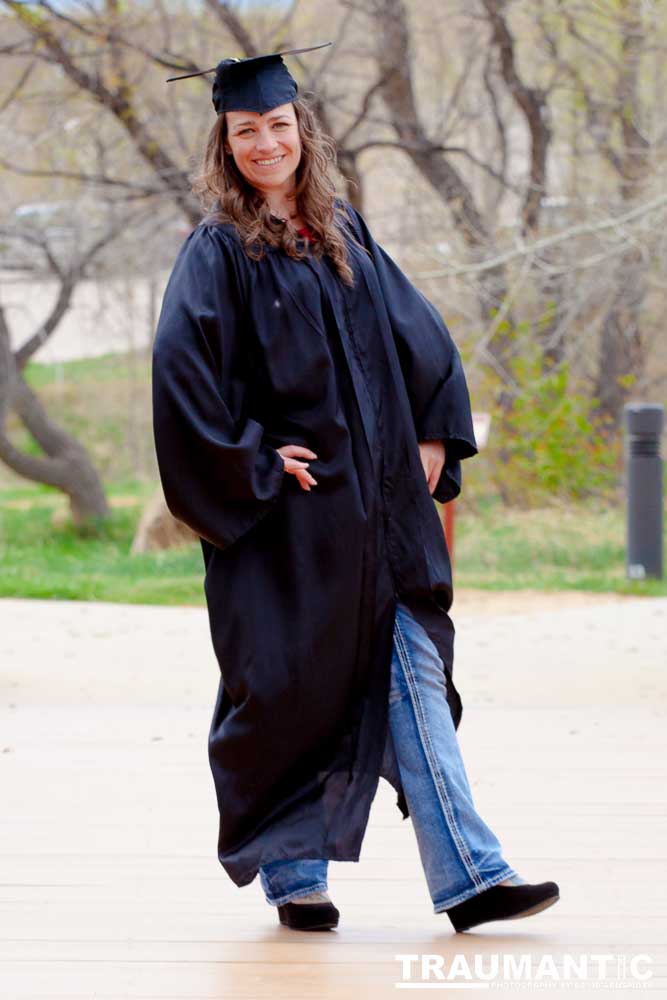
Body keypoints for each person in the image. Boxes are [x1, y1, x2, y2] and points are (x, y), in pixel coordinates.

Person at [151, 43, 560, 934]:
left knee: (410, 671)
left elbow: (424, 338)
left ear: (305, 132)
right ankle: (294, 878)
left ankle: (472, 877)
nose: (266, 144)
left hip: (379, 519)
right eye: (246, 131)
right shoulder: (217, 253)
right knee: (291, 690)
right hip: (288, 530)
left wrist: (429, 432)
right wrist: (257, 461)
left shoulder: (345, 233)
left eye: (278, 126)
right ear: (226, 144)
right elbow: (183, 381)